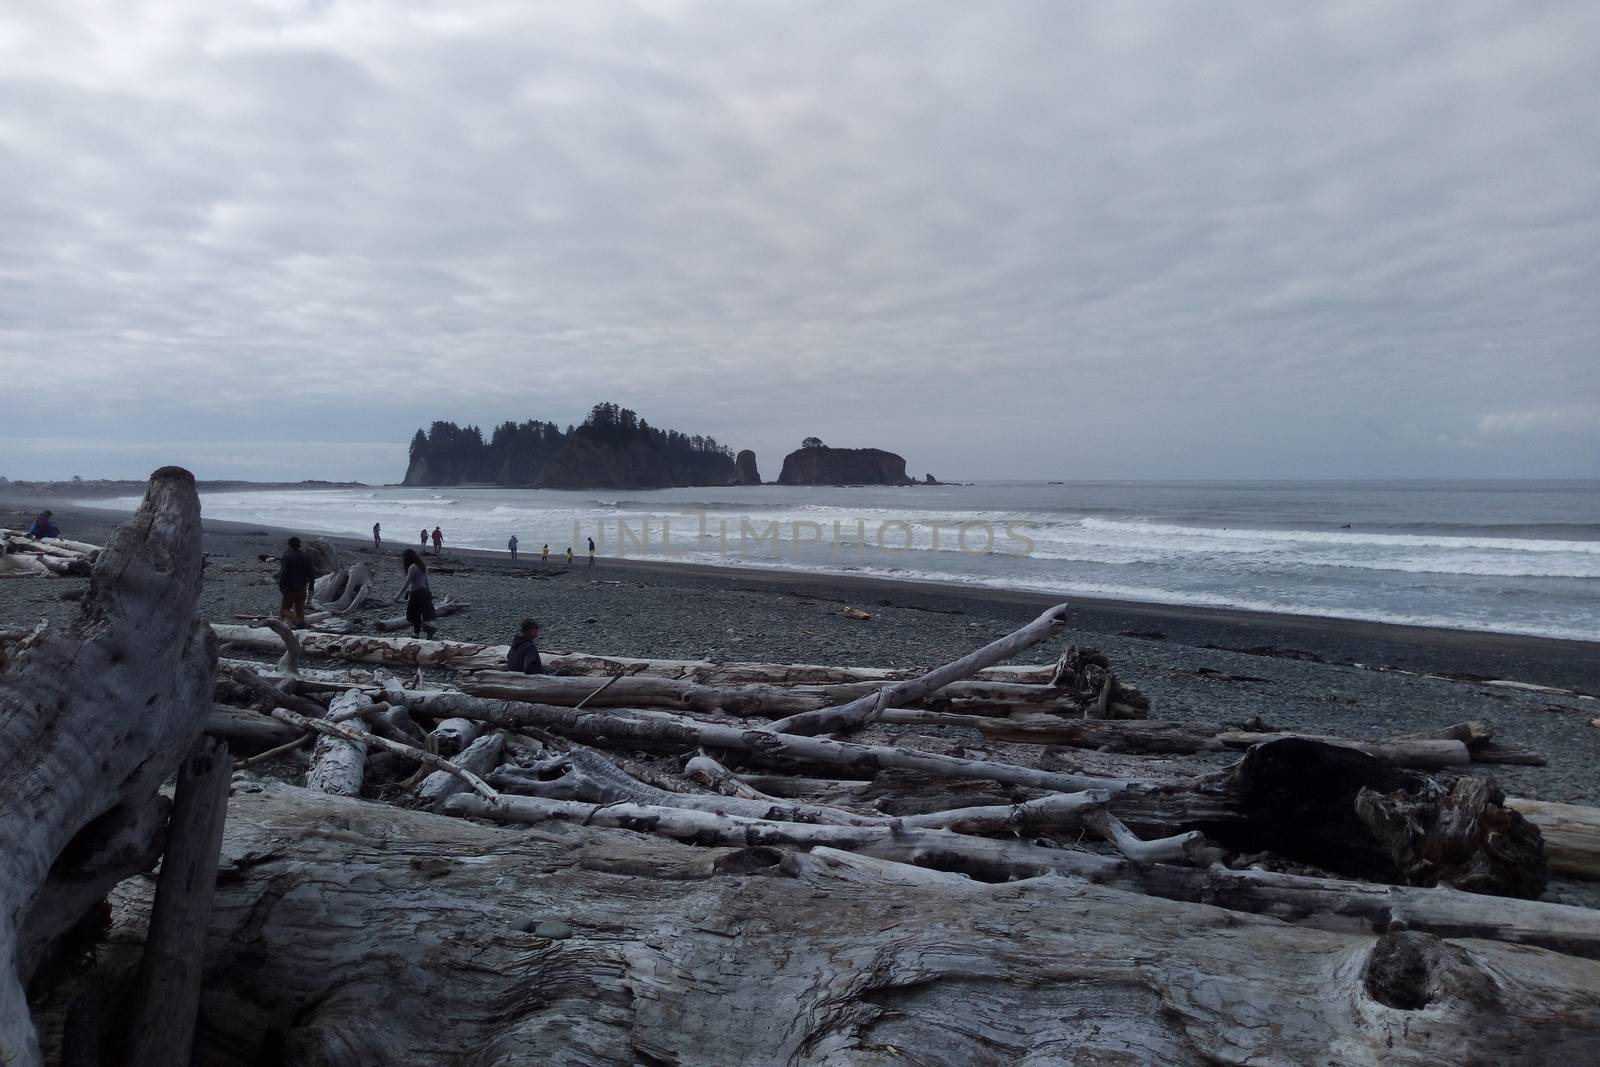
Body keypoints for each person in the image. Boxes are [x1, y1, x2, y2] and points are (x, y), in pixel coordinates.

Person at [395, 548, 436, 639]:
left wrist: (397, 596)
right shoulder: (422, 566)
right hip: (424, 592)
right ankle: (416, 633)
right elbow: (426, 581)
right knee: (418, 615)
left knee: (411, 616)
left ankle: (427, 628)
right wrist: (429, 593)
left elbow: (407, 582)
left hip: (416, 594)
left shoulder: (413, 567)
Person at [276, 536, 315, 628]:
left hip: (290, 588)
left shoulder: (287, 555)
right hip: (302, 588)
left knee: (285, 610)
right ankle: (301, 629)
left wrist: (281, 586)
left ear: (289, 544)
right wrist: (311, 587)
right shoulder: (306, 556)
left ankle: (296, 622)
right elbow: (311, 574)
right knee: (299, 610)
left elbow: (284, 573)